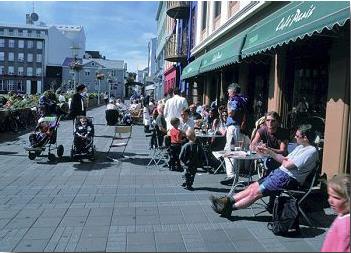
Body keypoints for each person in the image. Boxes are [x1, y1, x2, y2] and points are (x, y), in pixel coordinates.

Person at [210, 124, 319, 218]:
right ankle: (226, 201)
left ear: (305, 137)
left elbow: (287, 164)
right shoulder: (301, 147)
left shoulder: (311, 151)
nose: (295, 138)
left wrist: (278, 157)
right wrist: (268, 151)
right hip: (280, 173)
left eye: (297, 136)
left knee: (255, 193)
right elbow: (284, 160)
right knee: (252, 187)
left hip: (289, 179)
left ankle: (229, 208)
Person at [321, 174, 350, 252]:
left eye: (336, 198)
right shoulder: (342, 213)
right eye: (329, 195)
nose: (330, 200)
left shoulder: (347, 226)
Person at [220, 113, 251, 185]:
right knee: (234, 151)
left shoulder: (234, 102)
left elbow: (231, 113)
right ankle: (234, 176)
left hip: (233, 127)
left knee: (229, 152)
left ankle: (232, 176)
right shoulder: (241, 102)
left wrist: (229, 107)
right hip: (235, 127)